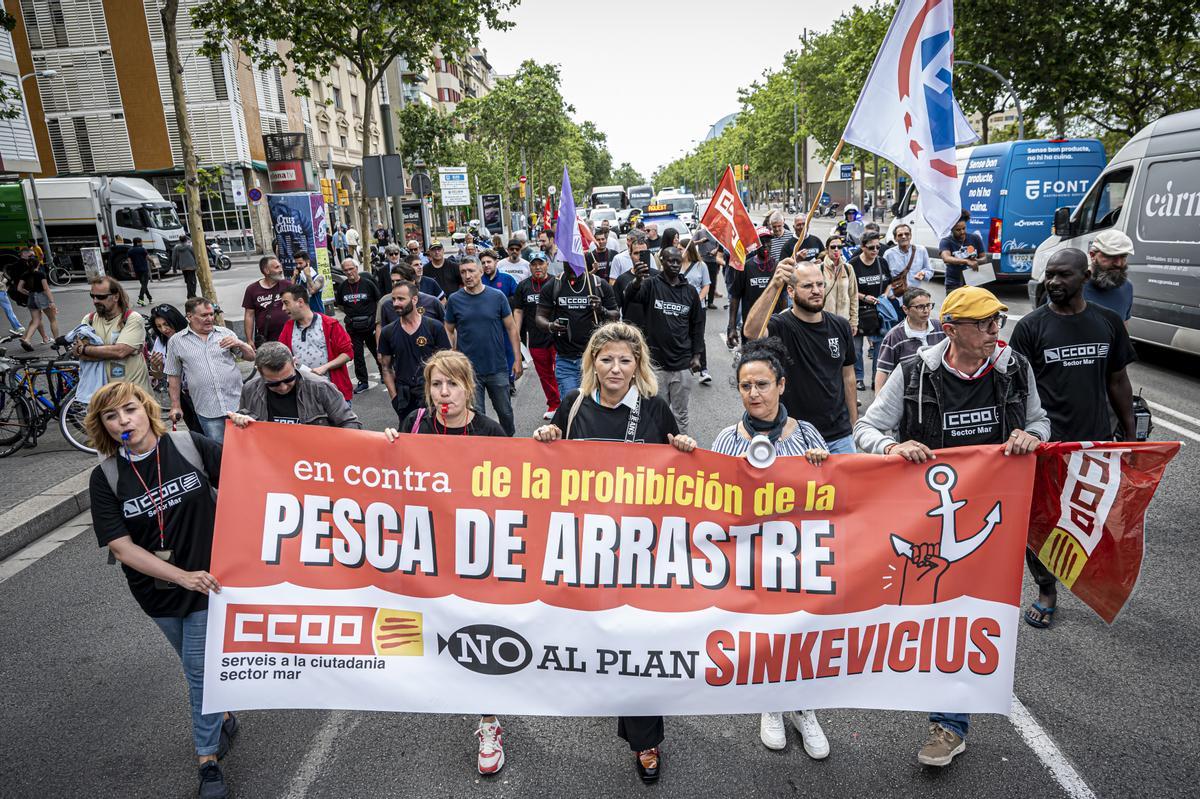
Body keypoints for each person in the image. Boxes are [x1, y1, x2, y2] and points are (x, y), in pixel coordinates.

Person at [854, 286, 1048, 768]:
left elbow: (1042, 423)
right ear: (950, 330)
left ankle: (953, 715)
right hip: (929, 526)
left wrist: (1032, 436)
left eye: (996, 322)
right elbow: (866, 429)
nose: (993, 332)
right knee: (942, 621)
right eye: (982, 324)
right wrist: (891, 448)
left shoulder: (1015, 369)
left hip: (993, 528)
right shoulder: (914, 372)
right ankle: (950, 718)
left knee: (976, 619)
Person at [532, 322, 697, 784]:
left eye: (625, 360)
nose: (615, 368)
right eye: (606, 359)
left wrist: (683, 448)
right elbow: (544, 473)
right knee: (600, 644)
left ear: (638, 365)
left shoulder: (655, 409)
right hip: (585, 550)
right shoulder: (573, 406)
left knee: (637, 645)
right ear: (592, 363)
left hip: (639, 555)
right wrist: (546, 437)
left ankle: (646, 741)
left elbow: (681, 479)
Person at [84, 381, 237, 799]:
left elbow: (250, 476)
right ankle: (223, 715)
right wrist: (181, 577)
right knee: (198, 670)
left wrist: (245, 432)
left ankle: (207, 762)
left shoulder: (189, 446)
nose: (122, 422)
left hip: (210, 583)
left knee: (198, 672)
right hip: (157, 592)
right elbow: (121, 546)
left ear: (145, 409)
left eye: (128, 410)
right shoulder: (106, 477)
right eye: (110, 417)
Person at [709, 336, 830, 761]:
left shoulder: (809, 435)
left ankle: (804, 707)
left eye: (762, 384)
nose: (754, 394)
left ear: (781, 385)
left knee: (802, 634)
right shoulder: (726, 440)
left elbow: (836, 500)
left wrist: (822, 468)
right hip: (752, 561)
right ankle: (771, 704)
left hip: (799, 560)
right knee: (763, 636)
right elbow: (709, 502)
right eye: (746, 386)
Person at [1010, 248, 1136, 629]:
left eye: (1064, 275)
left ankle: (1088, 579)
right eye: (1050, 275)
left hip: (1094, 445)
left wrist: (1128, 437)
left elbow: (1117, 381)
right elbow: (1015, 391)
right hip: (1046, 446)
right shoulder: (1031, 327)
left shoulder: (1108, 323)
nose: (1053, 283)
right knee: (1041, 522)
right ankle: (1046, 590)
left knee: (1090, 521)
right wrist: (1022, 438)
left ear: (1085, 277)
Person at [744, 260, 858, 453]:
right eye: (807, 286)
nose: (816, 290)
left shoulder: (841, 325)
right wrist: (774, 284)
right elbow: (752, 331)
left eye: (820, 284)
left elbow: (848, 377)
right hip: (794, 437)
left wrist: (854, 426)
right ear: (790, 291)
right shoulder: (780, 325)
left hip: (839, 437)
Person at [623, 245, 704, 433]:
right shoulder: (651, 285)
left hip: (682, 364)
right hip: (655, 365)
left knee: (680, 414)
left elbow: (698, 325)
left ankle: (680, 449)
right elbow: (630, 296)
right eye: (670, 261)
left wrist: (697, 356)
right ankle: (658, 450)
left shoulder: (690, 291)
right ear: (662, 262)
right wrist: (636, 281)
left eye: (678, 261)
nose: (675, 265)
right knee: (655, 412)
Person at [444, 257, 523, 435]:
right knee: (476, 415)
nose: (467, 275)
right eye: (463, 272)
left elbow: (511, 328)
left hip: (497, 367)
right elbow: (448, 329)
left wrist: (517, 359)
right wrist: (452, 355)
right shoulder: (455, 300)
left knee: (505, 412)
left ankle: (509, 443)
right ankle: (483, 452)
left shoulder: (497, 296)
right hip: (469, 371)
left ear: (481, 272)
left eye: (471, 271)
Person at [165, 298, 254, 444]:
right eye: (204, 315)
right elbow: (173, 375)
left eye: (211, 314)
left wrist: (240, 343)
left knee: (246, 446)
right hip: (208, 410)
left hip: (238, 405)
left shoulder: (225, 333)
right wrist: (175, 406)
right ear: (190, 316)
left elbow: (251, 357)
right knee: (219, 452)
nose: (210, 319)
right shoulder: (176, 341)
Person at [536, 255, 619, 398]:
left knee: (594, 406)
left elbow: (616, 315)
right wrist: (551, 325)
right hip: (565, 359)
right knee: (572, 407)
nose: (573, 269)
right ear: (563, 264)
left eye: (578, 265)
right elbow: (539, 317)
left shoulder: (598, 285)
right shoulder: (553, 285)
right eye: (569, 265)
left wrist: (602, 310)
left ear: (586, 265)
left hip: (594, 359)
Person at [230, 342, 361, 428]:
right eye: (273, 383)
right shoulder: (250, 389)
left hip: (312, 464)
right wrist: (241, 422)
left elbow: (350, 423)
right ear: (259, 371)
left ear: (294, 363)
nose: (283, 387)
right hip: (272, 462)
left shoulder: (320, 387)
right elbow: (243, 428)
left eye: (288, 379)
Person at [379, 280, 451, 422]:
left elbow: (448, 364)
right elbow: (386, 368)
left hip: (432, 394)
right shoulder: (387, 332)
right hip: (405, 398)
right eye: (393, 299)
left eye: (401, 299)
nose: (395, 303)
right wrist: (394, 398)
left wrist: (443, 393)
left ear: (414, 299)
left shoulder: (434, 327)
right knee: (409, 439)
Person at [278, 286, 354, 403]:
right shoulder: (288, 327)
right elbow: (281, 355)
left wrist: (325, 367)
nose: (283, 308)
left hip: (334, 394)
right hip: (304, 396)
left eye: (286, 303)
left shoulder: (329, 324)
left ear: (300, 302)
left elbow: (348, 353)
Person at [74, 277, 150, 391]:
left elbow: (120, 351)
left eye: (101, 297)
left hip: (133, 394)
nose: (95, 301)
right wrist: (109, 352)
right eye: (92, 296)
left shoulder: (132, 318)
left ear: (116, 296)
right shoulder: (88, 320)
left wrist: (85, 349)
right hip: (104, 396)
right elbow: (77, 352)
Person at [513, 252, 560, 420]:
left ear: (547, 264)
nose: (537, 267)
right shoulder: (523, 286)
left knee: (560, 372)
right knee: (545, 375)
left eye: (541, 263)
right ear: (530, 266)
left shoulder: (556, 282)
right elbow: (518, 310)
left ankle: (565, 404)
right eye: (534, 264)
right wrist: (516, 333)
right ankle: (554, 403)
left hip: (556, 337)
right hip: (535, 338)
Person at [873, 287, 946, 393]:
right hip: (908, 394)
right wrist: (878, 400)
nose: (926, 311)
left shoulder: (940, 328)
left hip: (938, 391)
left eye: (928, 305)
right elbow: (883, 370)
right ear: (905, 309)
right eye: (920, 307)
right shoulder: (894, 336)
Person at [147, 304, 202, 432]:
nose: (164, 329)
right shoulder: (160, 341)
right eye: (159, 326)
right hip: (181, 395)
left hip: (200, 391)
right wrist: (156, 366)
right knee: (195, 430)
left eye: (166, 324)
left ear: (175, 320)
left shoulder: (191, 336)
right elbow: (159, 376)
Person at [727, 228, 785, 349]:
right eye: (761, 241)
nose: (765, 245)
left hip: (774, 327)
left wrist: (785, 323)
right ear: (755, 245)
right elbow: (735, 296)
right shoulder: (745, 267)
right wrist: (731, 327)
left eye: (768, 241)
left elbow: (784, 297)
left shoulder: (778, 267)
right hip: (751, 327)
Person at [850, 231, 891, 391]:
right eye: (871, 247)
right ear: (862, 247)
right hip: (859, 311)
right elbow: (849, 288)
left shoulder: (882, 262)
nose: (875, 250)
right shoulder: (853, 264)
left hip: (879, 312)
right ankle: (859, 378)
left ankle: (876, 379)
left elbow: (890, 282)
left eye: (878, 247)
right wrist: (864, 297)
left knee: (879, 348)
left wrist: (885, 295)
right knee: (857, 349)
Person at [335, 258, 383, 394]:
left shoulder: (368, 284)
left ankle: (385, 375)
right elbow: (340, 305)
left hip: (370, 325)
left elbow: (378, 300)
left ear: (357, 268)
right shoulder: (342, 287)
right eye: (346, 270)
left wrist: (376, 319)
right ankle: (363, 381)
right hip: (353, 328)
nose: (349, 272)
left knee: (378, 351)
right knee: (357, 356)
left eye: (351, 269)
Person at [1084, 229, 1135, 321]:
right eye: (1111, 256)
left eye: (1123, 256)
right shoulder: (1074, 286)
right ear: (1092, 255)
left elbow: (1123, 328)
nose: (1118, 263)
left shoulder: (1127, 287)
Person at [242, 256, 293, 346]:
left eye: (280, 266)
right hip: (267, 340)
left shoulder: (287, 285)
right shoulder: (252, 289)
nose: (281, 270)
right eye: (277, 267)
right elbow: (249, 315)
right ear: (266, 271)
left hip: (290, 336)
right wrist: (249, 340)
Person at [681, 240, 713, 383]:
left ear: (689, 250)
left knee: (698, 336)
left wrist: (698, 300)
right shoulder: (676, 266)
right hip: (681, 307)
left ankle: (703, 370)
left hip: (698, 307)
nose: (680, 251)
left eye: (682, 248)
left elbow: (706, 285)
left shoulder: (701, 266)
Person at [17, 247, 57, 351]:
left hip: (31, 297)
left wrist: (28, 293)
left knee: (35, 321)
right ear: (38, 264)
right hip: (41, 297)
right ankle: (57, 340)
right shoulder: (40, 274)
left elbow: (19, 288)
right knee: (52, 319)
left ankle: (27, 339)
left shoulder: (25, 274)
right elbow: (46, 288)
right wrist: (52, 301)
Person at [818, 234, 858, 336]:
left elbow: (853, 296)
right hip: (824, 322)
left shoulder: (848, 268)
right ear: (827, 249)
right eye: (833, 247)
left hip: (843, 322)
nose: (836, 250)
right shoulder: (819, 269)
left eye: (839, 247)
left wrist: (854, 322)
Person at [938, 212, 988, 293]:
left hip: (974, 282)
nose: (962, 232)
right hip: (954, 284)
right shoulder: (946, 241)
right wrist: (966, 261)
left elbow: (984, 258)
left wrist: (977, 261)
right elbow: (946, 258)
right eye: (958, 230)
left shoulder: (975, 238)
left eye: (964, 228)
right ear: (951, 229)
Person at [883, 223, 933, 292]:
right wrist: (890, 294)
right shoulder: (888, 254)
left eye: (907, 234)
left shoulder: (921, 250)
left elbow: (929, 270)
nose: (904, 237)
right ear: (895, 238)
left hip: (914, 294)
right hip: (896, 295)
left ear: (910, 236)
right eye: (900, 235)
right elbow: (884, 277)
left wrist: (923, 274)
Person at [293, 249, 325, 314]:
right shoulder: (299, 276)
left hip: (317, 313)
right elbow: (290, 292)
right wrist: (294, 277)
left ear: (307, 262)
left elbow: (311, 291)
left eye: (300, 263)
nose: (298, 266)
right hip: (303, 314)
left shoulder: (319, 277)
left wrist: (308, 275)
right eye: (296, 264)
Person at [129, 237, 153, 306]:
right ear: (138, 242)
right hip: (144, 269)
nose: (142, 243)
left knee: (143, 285)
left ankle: (150, 298)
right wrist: (153, 262)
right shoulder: (143, 249)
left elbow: (129, 262)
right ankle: (140, 299)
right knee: (144, 284)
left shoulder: (130, 251)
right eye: (141, 242)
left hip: (137, 270)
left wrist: (132, 271)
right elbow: (148, 257)